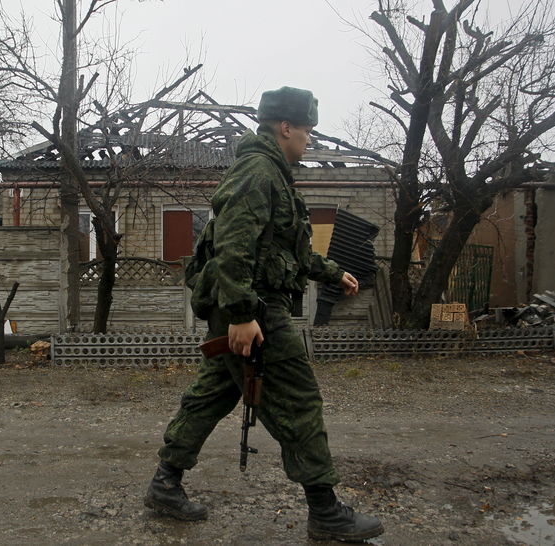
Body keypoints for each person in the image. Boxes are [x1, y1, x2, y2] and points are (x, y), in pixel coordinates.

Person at [143, 86, 384, 542]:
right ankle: (326, 512)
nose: (309, 140)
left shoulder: (271, 173)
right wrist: (240, 313)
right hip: (253, 308)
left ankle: (164, 484)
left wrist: (333, 272)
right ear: (286, 127)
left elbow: (285, 248)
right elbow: (234, 244)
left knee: (213, 393)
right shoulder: (258, 172)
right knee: (297, 397)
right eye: (307, 130)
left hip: (243, 306)